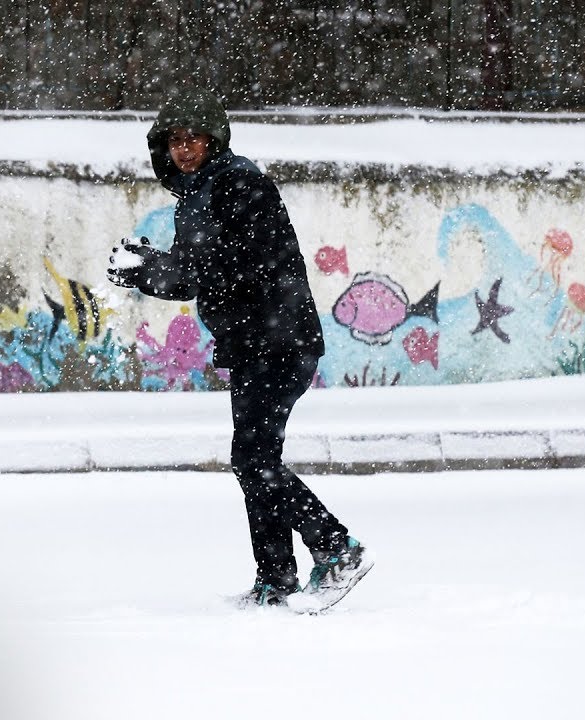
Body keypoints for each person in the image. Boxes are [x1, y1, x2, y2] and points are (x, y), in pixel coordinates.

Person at [107, 89, 372, 611]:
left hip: (280, 341)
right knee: (255, 461)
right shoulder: (195, 196)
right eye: (174, 141)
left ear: (215, 140)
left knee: (253, 461)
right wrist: (146, 272)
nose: (184, 149)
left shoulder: (241, 183)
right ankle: (275, 581)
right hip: (252, 345)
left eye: (194, 139)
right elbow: (192, 279)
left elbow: (235, 264)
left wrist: (163, 267)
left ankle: (337, 548)